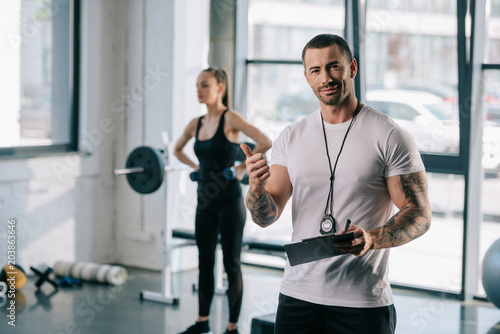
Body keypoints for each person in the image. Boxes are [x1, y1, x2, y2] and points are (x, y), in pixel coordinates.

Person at [241, 34, 432, 334]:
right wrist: (256, 189)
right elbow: (266, 215)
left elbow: (420, 214)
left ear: (352, 68)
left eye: (334, 67)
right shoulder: (291, 137)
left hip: (362, 303)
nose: (326, 78)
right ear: (307, 77)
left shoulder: (389, 135)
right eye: (315, 70)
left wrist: (371, 239)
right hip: (297, 296)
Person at [174, 66, 272, 334]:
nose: (198, 90)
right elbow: (177, 149)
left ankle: (231, 328)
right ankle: (203, 323)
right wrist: (195, 168)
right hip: (204, 202)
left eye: (204, 85)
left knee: (231, 264)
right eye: (197, 85)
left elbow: (264, 141)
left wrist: (241, 169)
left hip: (230, 203)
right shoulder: (196, 123)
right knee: (205, 260)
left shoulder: (231, 119)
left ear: (220, 88)